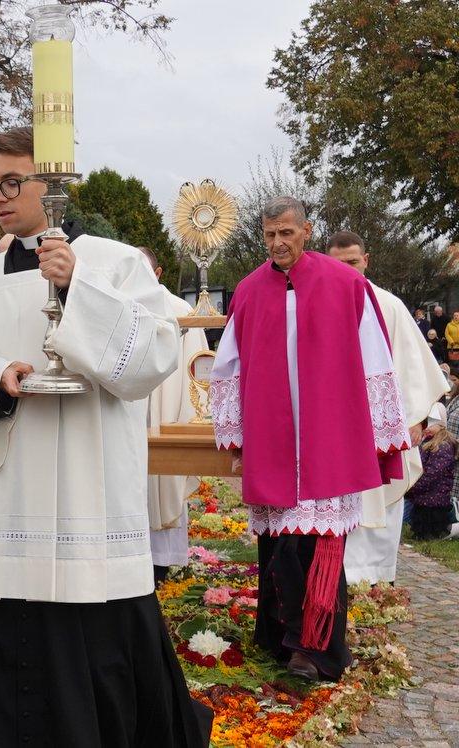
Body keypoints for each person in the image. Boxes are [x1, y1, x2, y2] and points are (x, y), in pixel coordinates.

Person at [0, 126, 210, 747]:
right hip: (15, 494)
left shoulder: (114, 261)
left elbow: (157, 351)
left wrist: (78, 285)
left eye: (13, 182)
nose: (0, 197)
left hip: (92, 491)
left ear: (52, 184)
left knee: (101, 658)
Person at [210, 196, 410, 683]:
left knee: (318, 548)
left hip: (330, 436)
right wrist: (235, 436)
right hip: (274, 438)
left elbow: (374, 360)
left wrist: (379, 433)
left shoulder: (347, 284)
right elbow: (228, 370)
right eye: (269, 235)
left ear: (307, 229)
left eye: (287, 233)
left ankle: (315, 649)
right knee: (280, 547)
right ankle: (280, 638)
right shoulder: (249, 291)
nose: (278, 243)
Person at [327, 230, 448, 585]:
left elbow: (414, 368)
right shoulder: (315, 304)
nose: (347, 270)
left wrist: (415, 420)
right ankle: (333, 584)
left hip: (379, 429)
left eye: (352, 262)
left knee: (379, 501)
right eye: (338, 264)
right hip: (334, 429)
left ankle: (378, 585)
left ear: (366, 260)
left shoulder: (388, 305)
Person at [137, 246, 210, 583]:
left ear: (158, 272)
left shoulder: (181, 310)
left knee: (164, 483)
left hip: (167, 411)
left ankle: (163, 562)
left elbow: (195, 367)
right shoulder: (121, 307)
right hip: (131, 414)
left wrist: (189, 412)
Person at [405, 406, 459, 540]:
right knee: (421, 526)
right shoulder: (427, 442)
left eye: (432, 424)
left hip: (435, 499)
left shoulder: (443, 446)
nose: (427, 428)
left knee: (434, 529)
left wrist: (415, 486)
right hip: (423, 497)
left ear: (441, 426)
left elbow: (432, 473)